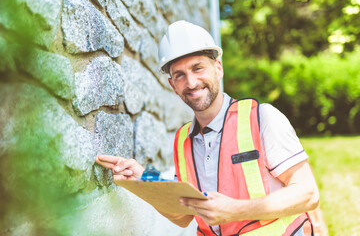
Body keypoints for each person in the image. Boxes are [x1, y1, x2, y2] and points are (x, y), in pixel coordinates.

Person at [96, 20, 319, 236]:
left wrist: (235, 210)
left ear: (218, 68)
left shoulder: (262, 118)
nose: (191, 82)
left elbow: (308, 194)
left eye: (198, 68)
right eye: (180, 75)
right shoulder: (183, 138)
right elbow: (182, 215)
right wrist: (144, 179)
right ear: (172, 85)